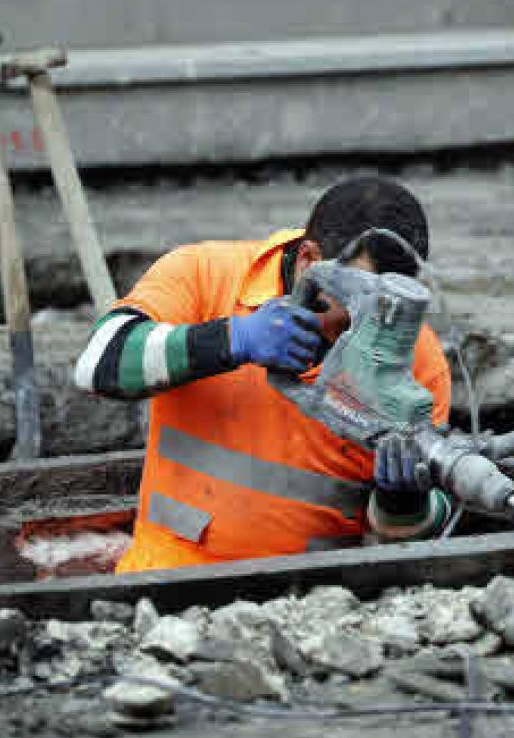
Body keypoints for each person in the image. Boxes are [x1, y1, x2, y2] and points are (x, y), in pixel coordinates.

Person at [74, 176, 453, 573]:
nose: (367, 330)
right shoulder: (206, 276)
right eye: (355, 306)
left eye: (386, 312)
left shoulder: (416, 360)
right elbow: (98, 363)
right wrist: (230, 339)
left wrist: (404, 504)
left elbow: (406, 546)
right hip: (168, 578)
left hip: (317, 596)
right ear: (309, 261)